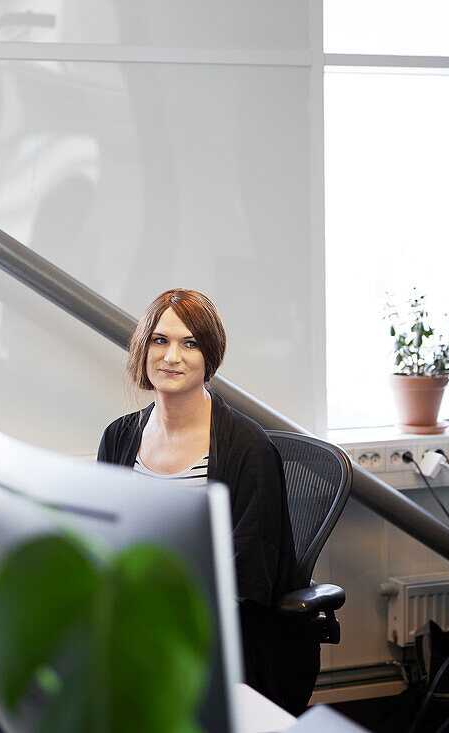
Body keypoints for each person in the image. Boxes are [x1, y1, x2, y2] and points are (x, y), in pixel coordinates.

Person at [97, 288, 318, 715]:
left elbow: (249, 573)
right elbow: (106, 544)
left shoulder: (248, 449)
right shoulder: (120, 437)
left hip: (223, 636)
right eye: (160, 340)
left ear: (209, 357)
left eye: (189, 343)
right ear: (143, 349)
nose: (171, 357)